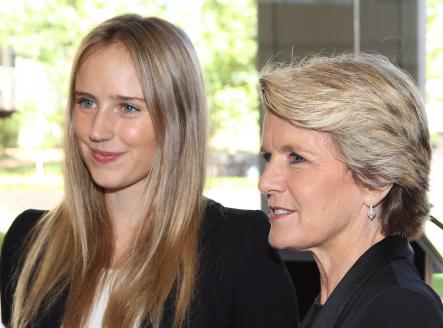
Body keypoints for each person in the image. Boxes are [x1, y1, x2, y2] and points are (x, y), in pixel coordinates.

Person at [0, 14, 299, 328]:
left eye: (128, 107)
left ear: (177, 121)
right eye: (87, 102)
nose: (98, 130)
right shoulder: (30, 243)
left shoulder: (240, 249)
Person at [258, 53, 443, 328]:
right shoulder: (343, 297)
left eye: (297, 158)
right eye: (268, 157)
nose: (266, 182)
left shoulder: (398, 310)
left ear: (375, 181)